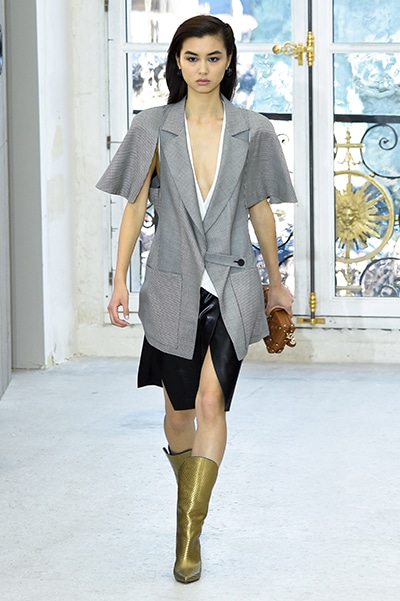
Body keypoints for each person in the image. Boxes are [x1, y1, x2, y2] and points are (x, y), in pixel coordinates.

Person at [97, 14, 297, 584]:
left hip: (233, 282)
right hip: (170, 284)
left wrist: (276, 279)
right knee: (178, 414)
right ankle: (190, 491)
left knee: (212, 404)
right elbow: (135, 206)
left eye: (213, 57)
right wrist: (119, 281)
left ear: (229, 61)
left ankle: (188, 535)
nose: (203, 68)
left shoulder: (253, 129)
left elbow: (260, 208)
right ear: (177, 62)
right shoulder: (151, 127)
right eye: (192, 57)